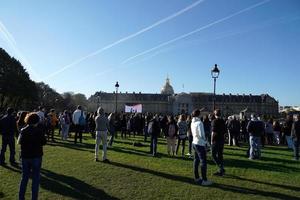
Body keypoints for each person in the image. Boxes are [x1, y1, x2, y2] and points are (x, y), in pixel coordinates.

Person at [18, 112, 47, 200]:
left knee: (24, 178)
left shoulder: (23, 130)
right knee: (35, 178)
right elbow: (44, 142)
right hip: (36, 156)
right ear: (37, 121)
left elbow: (19, 142)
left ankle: (21, 198)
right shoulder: (39, 131)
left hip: (25, 156)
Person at [191, 109, 212, 186]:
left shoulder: (192, 122)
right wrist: (205, 141)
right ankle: (204, 180)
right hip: (200, 143)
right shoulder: (199, 123)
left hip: (194, 142)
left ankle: (196, 177)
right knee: (203, 161)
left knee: (196, 160)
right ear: (199, 115)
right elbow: (201, 134)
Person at [211, 109, 226, 176]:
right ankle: (221, 170)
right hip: (221, 139)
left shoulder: (214, 121)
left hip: (216, 140)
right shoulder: (223, 121)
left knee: (213, 155)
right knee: (220, 155)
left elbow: (213, 132)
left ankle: (221, 168)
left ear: (215, 114)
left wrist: (211, 140)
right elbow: (225, 130)